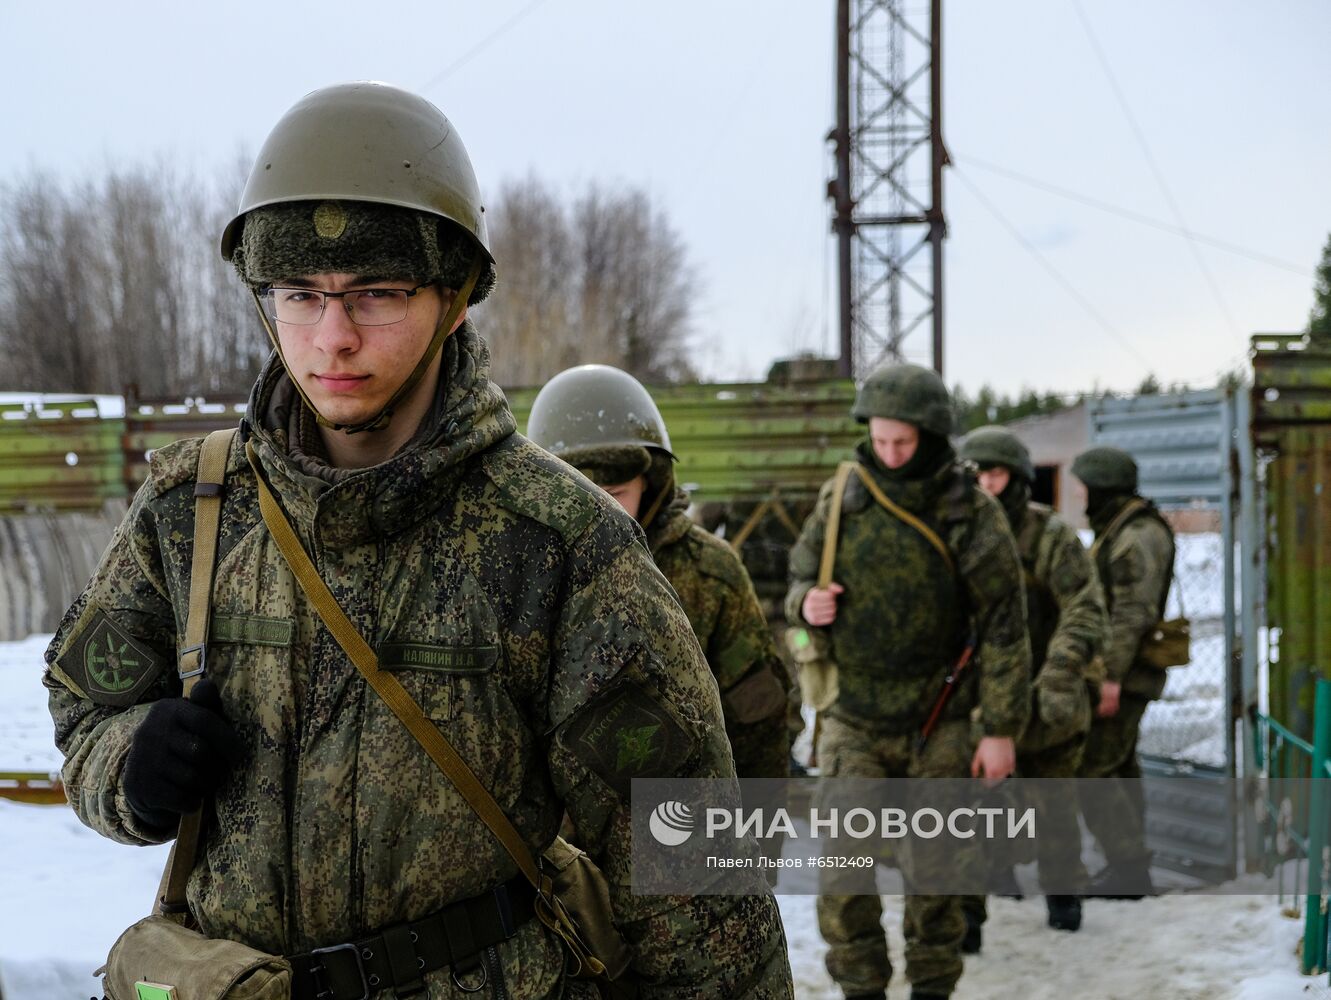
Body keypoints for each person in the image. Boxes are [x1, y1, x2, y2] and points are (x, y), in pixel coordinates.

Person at [43, 81, 792, 999]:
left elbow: (688, 864)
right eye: (299, 296)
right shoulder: (187, 510)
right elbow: (86, 712)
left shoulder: (559, 545)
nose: (332, 338)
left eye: (377, 294)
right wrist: (133, 763)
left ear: (457, 296)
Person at [785, 364, 1031, 1000]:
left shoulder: (969, 511)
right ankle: (861, 987)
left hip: (939, 718)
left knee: (939, 873)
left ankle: (932, 988)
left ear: (931, 434)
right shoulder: (842, 497)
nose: (890, 454)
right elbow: (798, 584)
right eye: (881, 439)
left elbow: (1005, 626)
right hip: (852, 718)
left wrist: (1000, 729)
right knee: (844, 873)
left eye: (904, 442)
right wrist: (807, 606)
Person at [527, 364, 792, 785]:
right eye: (576, 496)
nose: (596, 513)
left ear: (651, 482)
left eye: (614, 496)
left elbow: (758, 721)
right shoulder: (520, 575)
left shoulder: (710, 573)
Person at [956, 425, 1108, 942]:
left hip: (1048, 697)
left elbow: (1085, 609)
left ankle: (1063, 894)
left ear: (1017, 478)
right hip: (978, 700)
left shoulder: (1050, 538)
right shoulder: (955, 536)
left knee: (1054, 807)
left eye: (996, 474)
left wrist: (1060, 672)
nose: (986, 486)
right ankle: (974, 907)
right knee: (971, 810)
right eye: (976, 475)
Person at [1071, 445, 1176, 899]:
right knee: (1118, 767)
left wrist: (1109, 677)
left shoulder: (1136, 534)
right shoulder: (1123, 527)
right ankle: (1130, 864)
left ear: (1102, 487)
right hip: (1120, 673)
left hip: (1123, 676)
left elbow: (1132, 612)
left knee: (1090, 768)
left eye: (1085, 487)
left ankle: (1128, 866)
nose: (1081, 496)